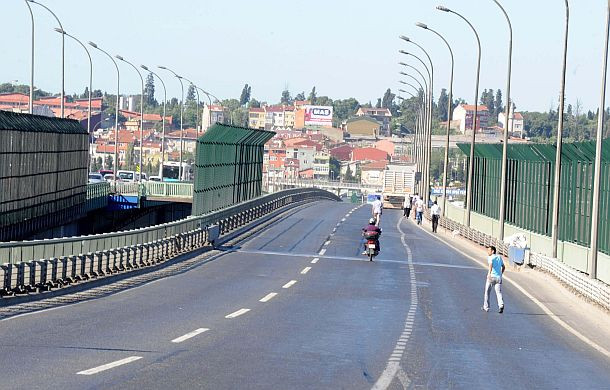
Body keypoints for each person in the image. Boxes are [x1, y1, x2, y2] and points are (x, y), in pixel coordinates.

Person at [482, 245, 505, 313]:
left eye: (489, 250)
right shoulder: (499, 257)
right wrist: (501, 274)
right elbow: (503, 267)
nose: (488, 252)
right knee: (498, 292)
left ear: (493, 251)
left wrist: (489, 273)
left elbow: (490, 265)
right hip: (498, 278)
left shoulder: (490, 257)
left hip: (491, 277)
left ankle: (486, 307)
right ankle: (501, 305)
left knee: (487, 292)